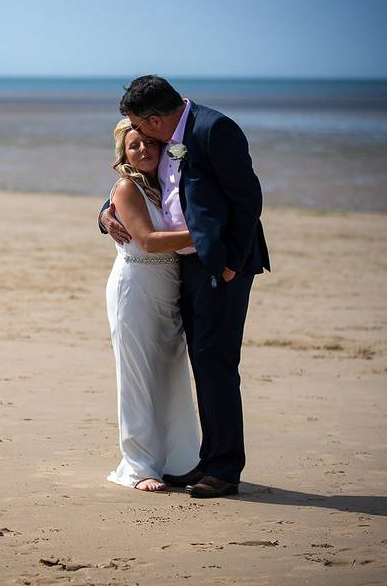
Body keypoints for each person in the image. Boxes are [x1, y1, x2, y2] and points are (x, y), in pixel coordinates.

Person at [100, 75, 270, 498]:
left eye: (141, 126)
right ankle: (206, 460)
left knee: (216, 363)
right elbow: (144, 187)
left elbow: (247, 198)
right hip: (183, 268)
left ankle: (224, 468)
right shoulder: (165, 142)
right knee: (199, 361)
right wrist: (104, 213)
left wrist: (231, 261)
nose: (140, 136)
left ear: (155, 118)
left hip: (219, 266)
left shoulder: (213, 130)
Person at [105, 119, 201, 492]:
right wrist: (208, 235)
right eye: (134, 146)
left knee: (170, 375)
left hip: (169, 287)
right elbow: (147, 240)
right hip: (135, 287)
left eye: (149, 143)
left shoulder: (166, 184)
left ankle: (180, 460)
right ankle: (140, 464)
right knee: (136, 377)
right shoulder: (127, 187)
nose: (144, 150)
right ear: (123, 154)